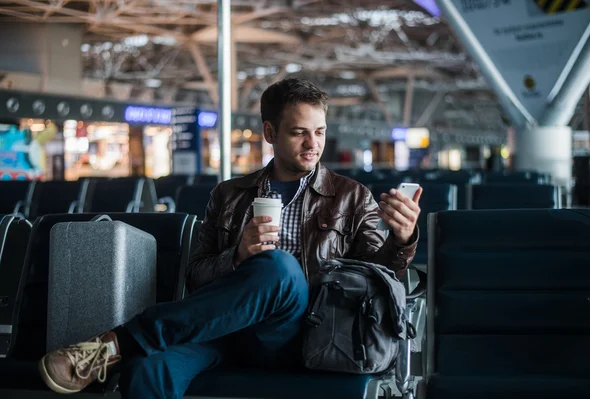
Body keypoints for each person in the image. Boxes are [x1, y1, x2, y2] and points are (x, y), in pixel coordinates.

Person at [38, 78, 422, 398]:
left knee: (278, 268)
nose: (312, 144)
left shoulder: (351, 196)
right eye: (299, 132)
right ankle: (131, 348)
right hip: (224, 330)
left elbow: (376, 280)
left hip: (307, 333)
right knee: (149, 369)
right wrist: (236, 257)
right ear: (270, 132)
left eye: (319, 132)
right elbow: (196, 275)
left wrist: (401, 240)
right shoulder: (229, 194)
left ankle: (118, 342)